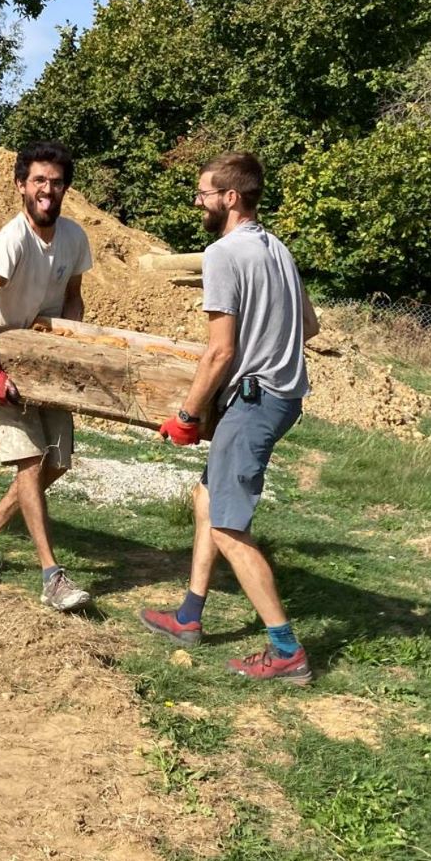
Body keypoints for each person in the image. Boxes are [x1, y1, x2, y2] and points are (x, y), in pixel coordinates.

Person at [140, 151, 320, 683]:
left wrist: (187, 414)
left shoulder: (221, 253)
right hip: (283, 396)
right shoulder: (279, 250)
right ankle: (189, 618)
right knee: (208, 498)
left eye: (203, 194)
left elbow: (219, 352)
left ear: (230, 198)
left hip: (255, 401)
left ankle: (286, 650)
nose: (198, 202)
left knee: (228, 525)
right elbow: (308, 326)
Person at [0, 141, 94, 612]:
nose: (47, 190)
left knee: (56, 461)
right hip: (5, 357)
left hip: (48, 360)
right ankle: (51, 575)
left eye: (55, 182)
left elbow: (73, 295)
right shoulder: (13, 238)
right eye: (38, 181)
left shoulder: (74, 238)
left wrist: (70, 339)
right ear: (21, 185)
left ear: (64, 188)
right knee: (30, 465)